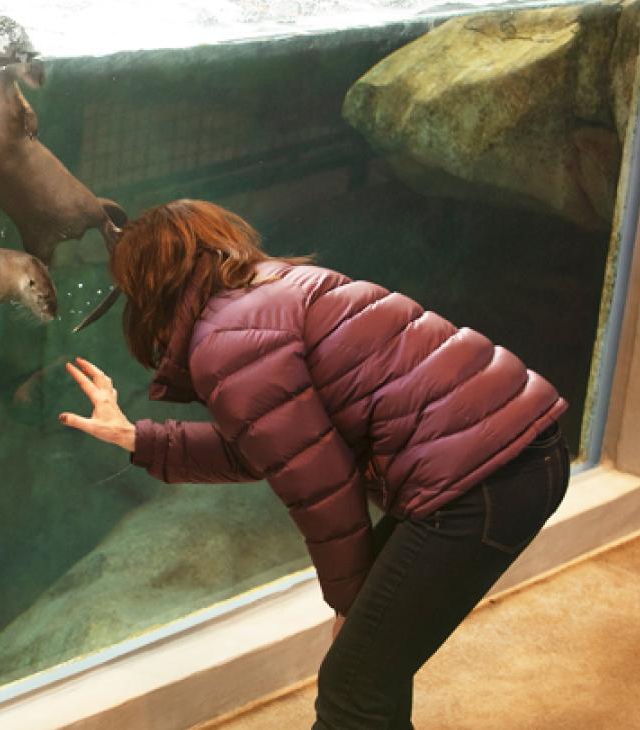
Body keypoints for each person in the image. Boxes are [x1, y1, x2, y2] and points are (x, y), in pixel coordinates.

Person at [58, 199, 571, 729]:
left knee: (353, 689)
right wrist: (136, 438)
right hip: (511, 453)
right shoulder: (270, 287)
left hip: (483, 478)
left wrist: (350, 604)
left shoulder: (227, 341)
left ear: (150, 284)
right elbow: (270, 446)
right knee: (371, 676)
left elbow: (321, 490)